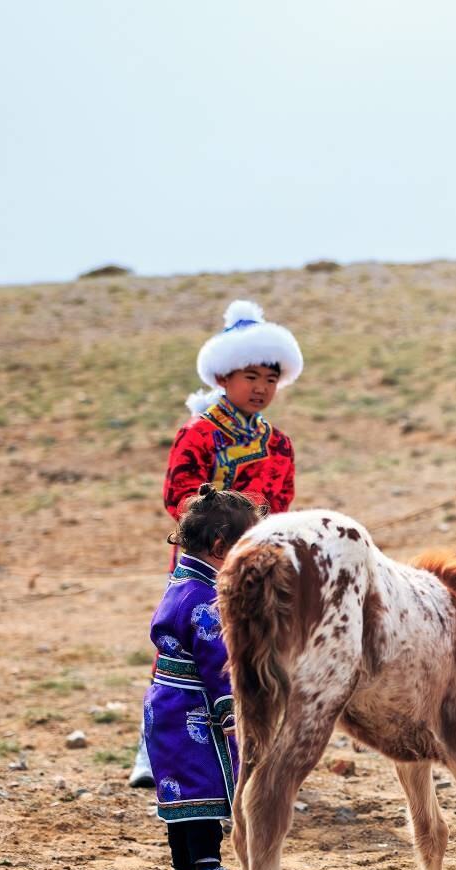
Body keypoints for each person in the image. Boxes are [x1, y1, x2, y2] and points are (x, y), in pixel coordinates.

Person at [130, 299, 302, 788]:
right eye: (251, 377)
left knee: (256, 649)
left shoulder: (278, 443)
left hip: (257, 563)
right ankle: (154, 750)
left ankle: (253, 750)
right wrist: (222, 527)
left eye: (270, 379)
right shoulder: (199, 434)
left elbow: (282, 503)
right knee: (183, 650)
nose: (261, 388)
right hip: (203, 563)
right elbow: (178, 497)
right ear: (224, 377)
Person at [143, 485, 265, 870]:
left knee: (181, 792)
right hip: (193, 709)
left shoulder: (183, 582)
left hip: (166, 704)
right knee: (203, 790)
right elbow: (217, 662)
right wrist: (232, 711)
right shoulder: (205, 599)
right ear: (219, 547)